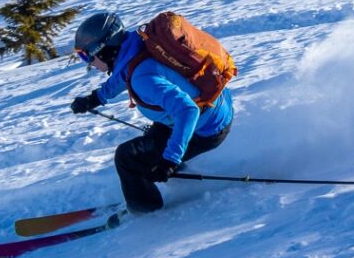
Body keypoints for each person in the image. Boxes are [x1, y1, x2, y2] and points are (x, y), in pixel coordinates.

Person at [70, 11, 233, 213]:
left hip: (206, 129)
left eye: (86, 55)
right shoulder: (139, 44)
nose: (88, 63)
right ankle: (167, 173)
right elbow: (124, 73)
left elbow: (187, 110)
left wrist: (170, 160)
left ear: (103, 49)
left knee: (128, 158)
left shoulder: (142, 79)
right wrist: (95, 98)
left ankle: (146, 211)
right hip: (218, 107)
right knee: (152, 141)